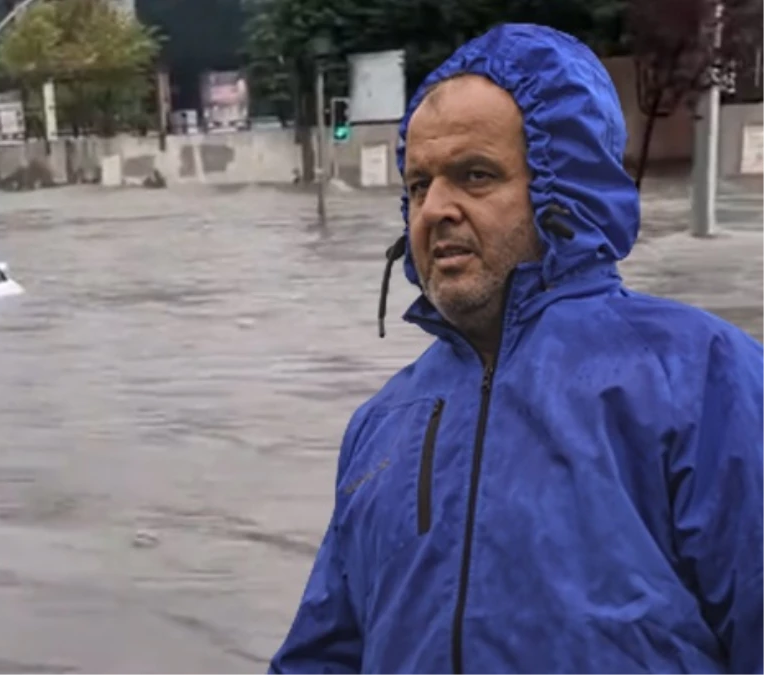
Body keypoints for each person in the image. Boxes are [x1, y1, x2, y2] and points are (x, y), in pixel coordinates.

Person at [269, 23, 764, 675]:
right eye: (418, 185)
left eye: (474, 176)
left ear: (564, 192)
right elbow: (323, 655)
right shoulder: (381, 424)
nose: (433, 209)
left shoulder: (702, 377)